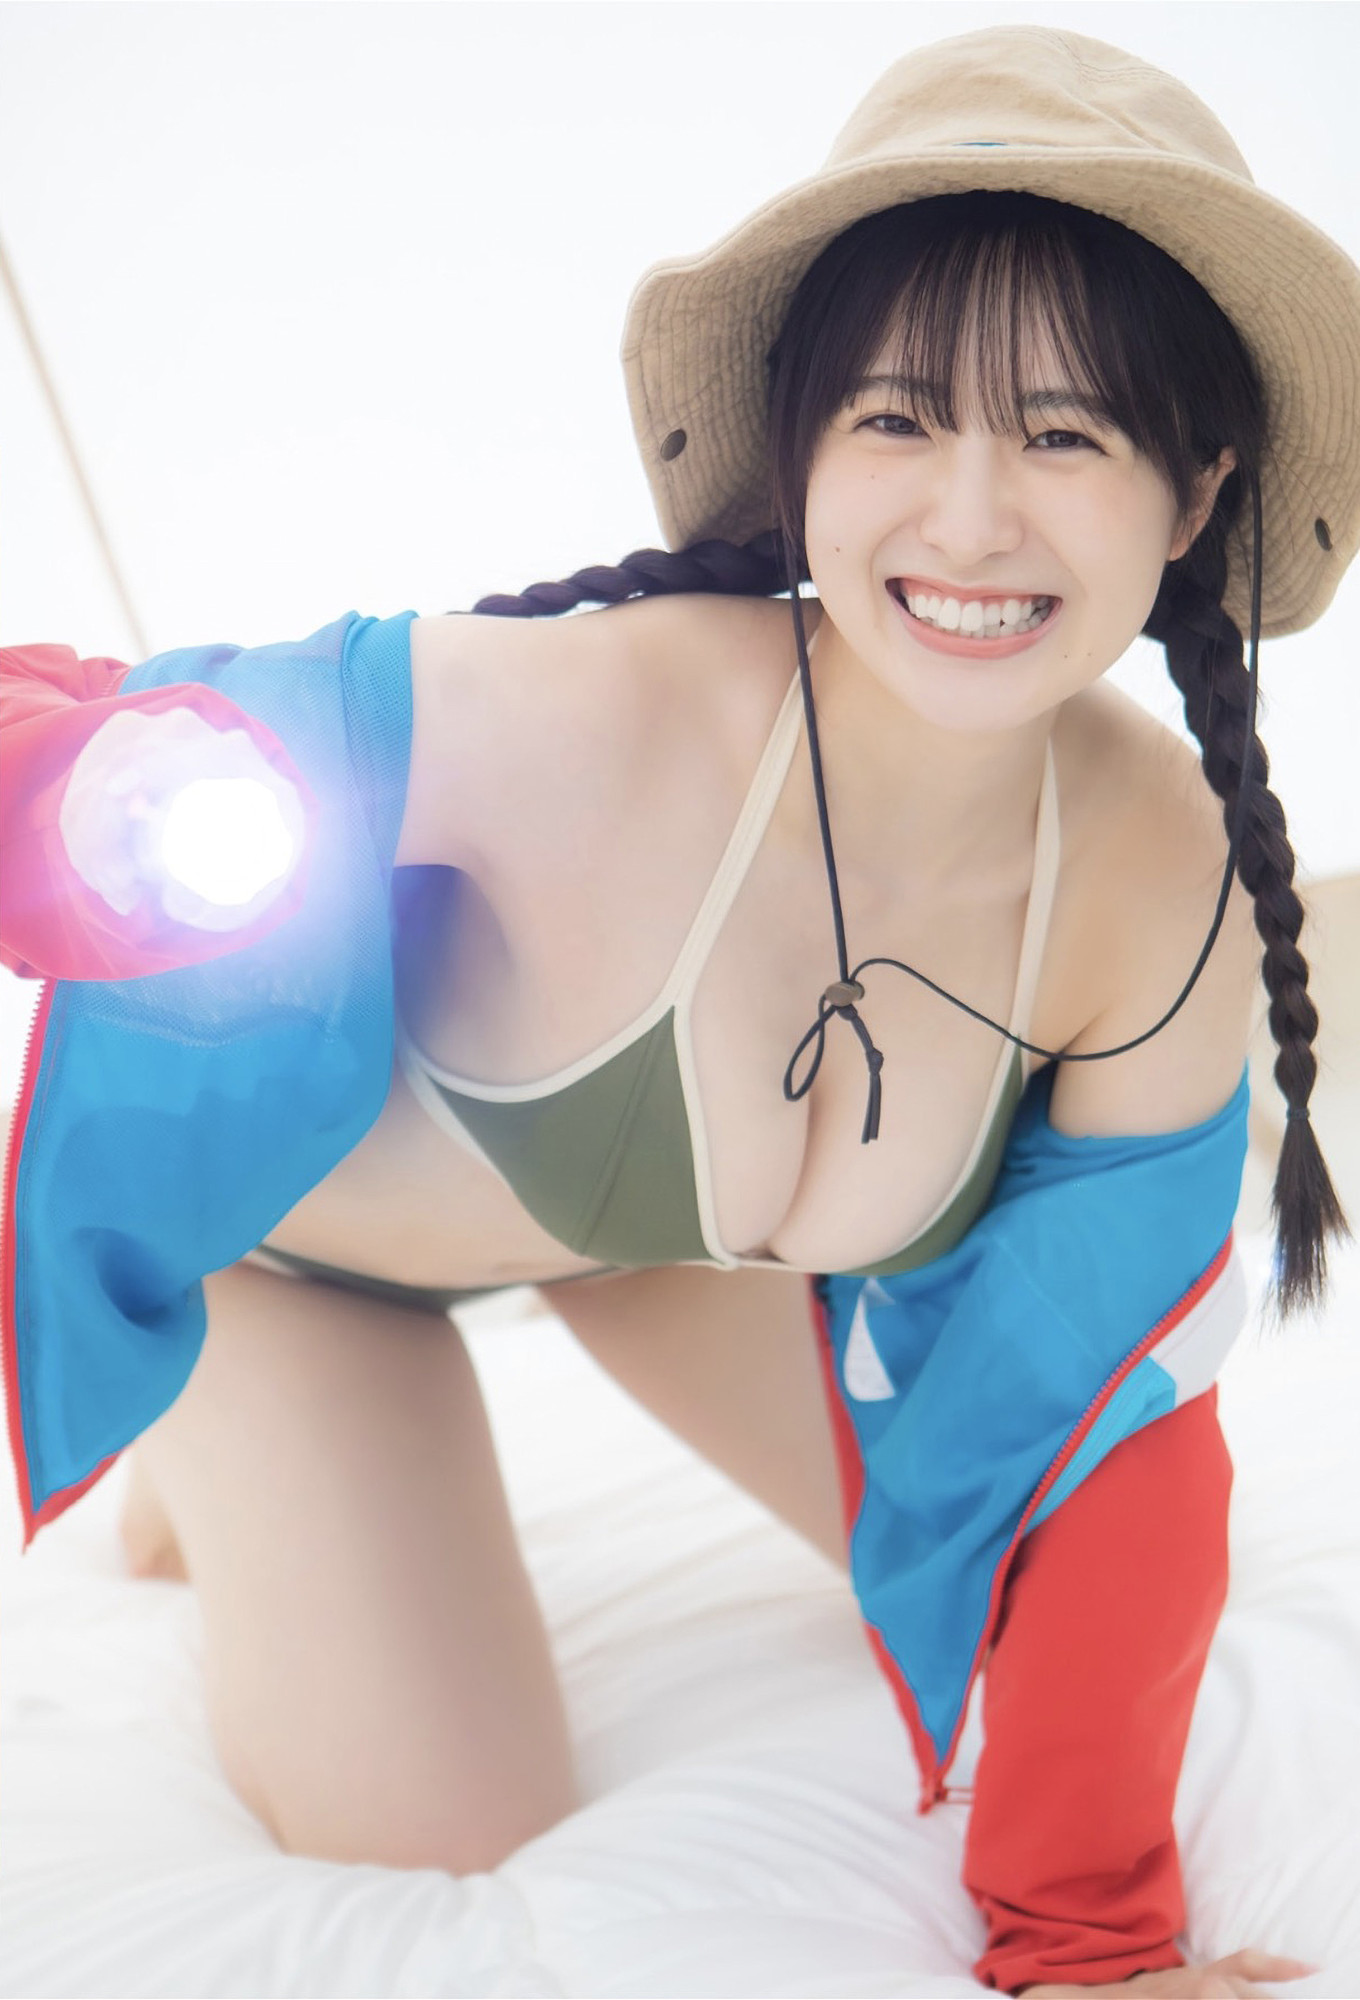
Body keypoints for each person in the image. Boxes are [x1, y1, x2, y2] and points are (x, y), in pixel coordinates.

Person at [2, 23, 1354, 1998]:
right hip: (307, 1264)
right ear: (799, 450)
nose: (970, 518)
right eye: (896, 419)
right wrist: (82, 804)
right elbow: (91, 740)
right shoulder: (587, 717)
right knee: (450, 1821)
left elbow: (1104, 1412)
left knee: (993, 1577)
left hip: (652, 1251)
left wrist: (1086, 1944)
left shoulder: (1156, 873)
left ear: (1193, 489)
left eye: (1064, 437)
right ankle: (213, 1453)